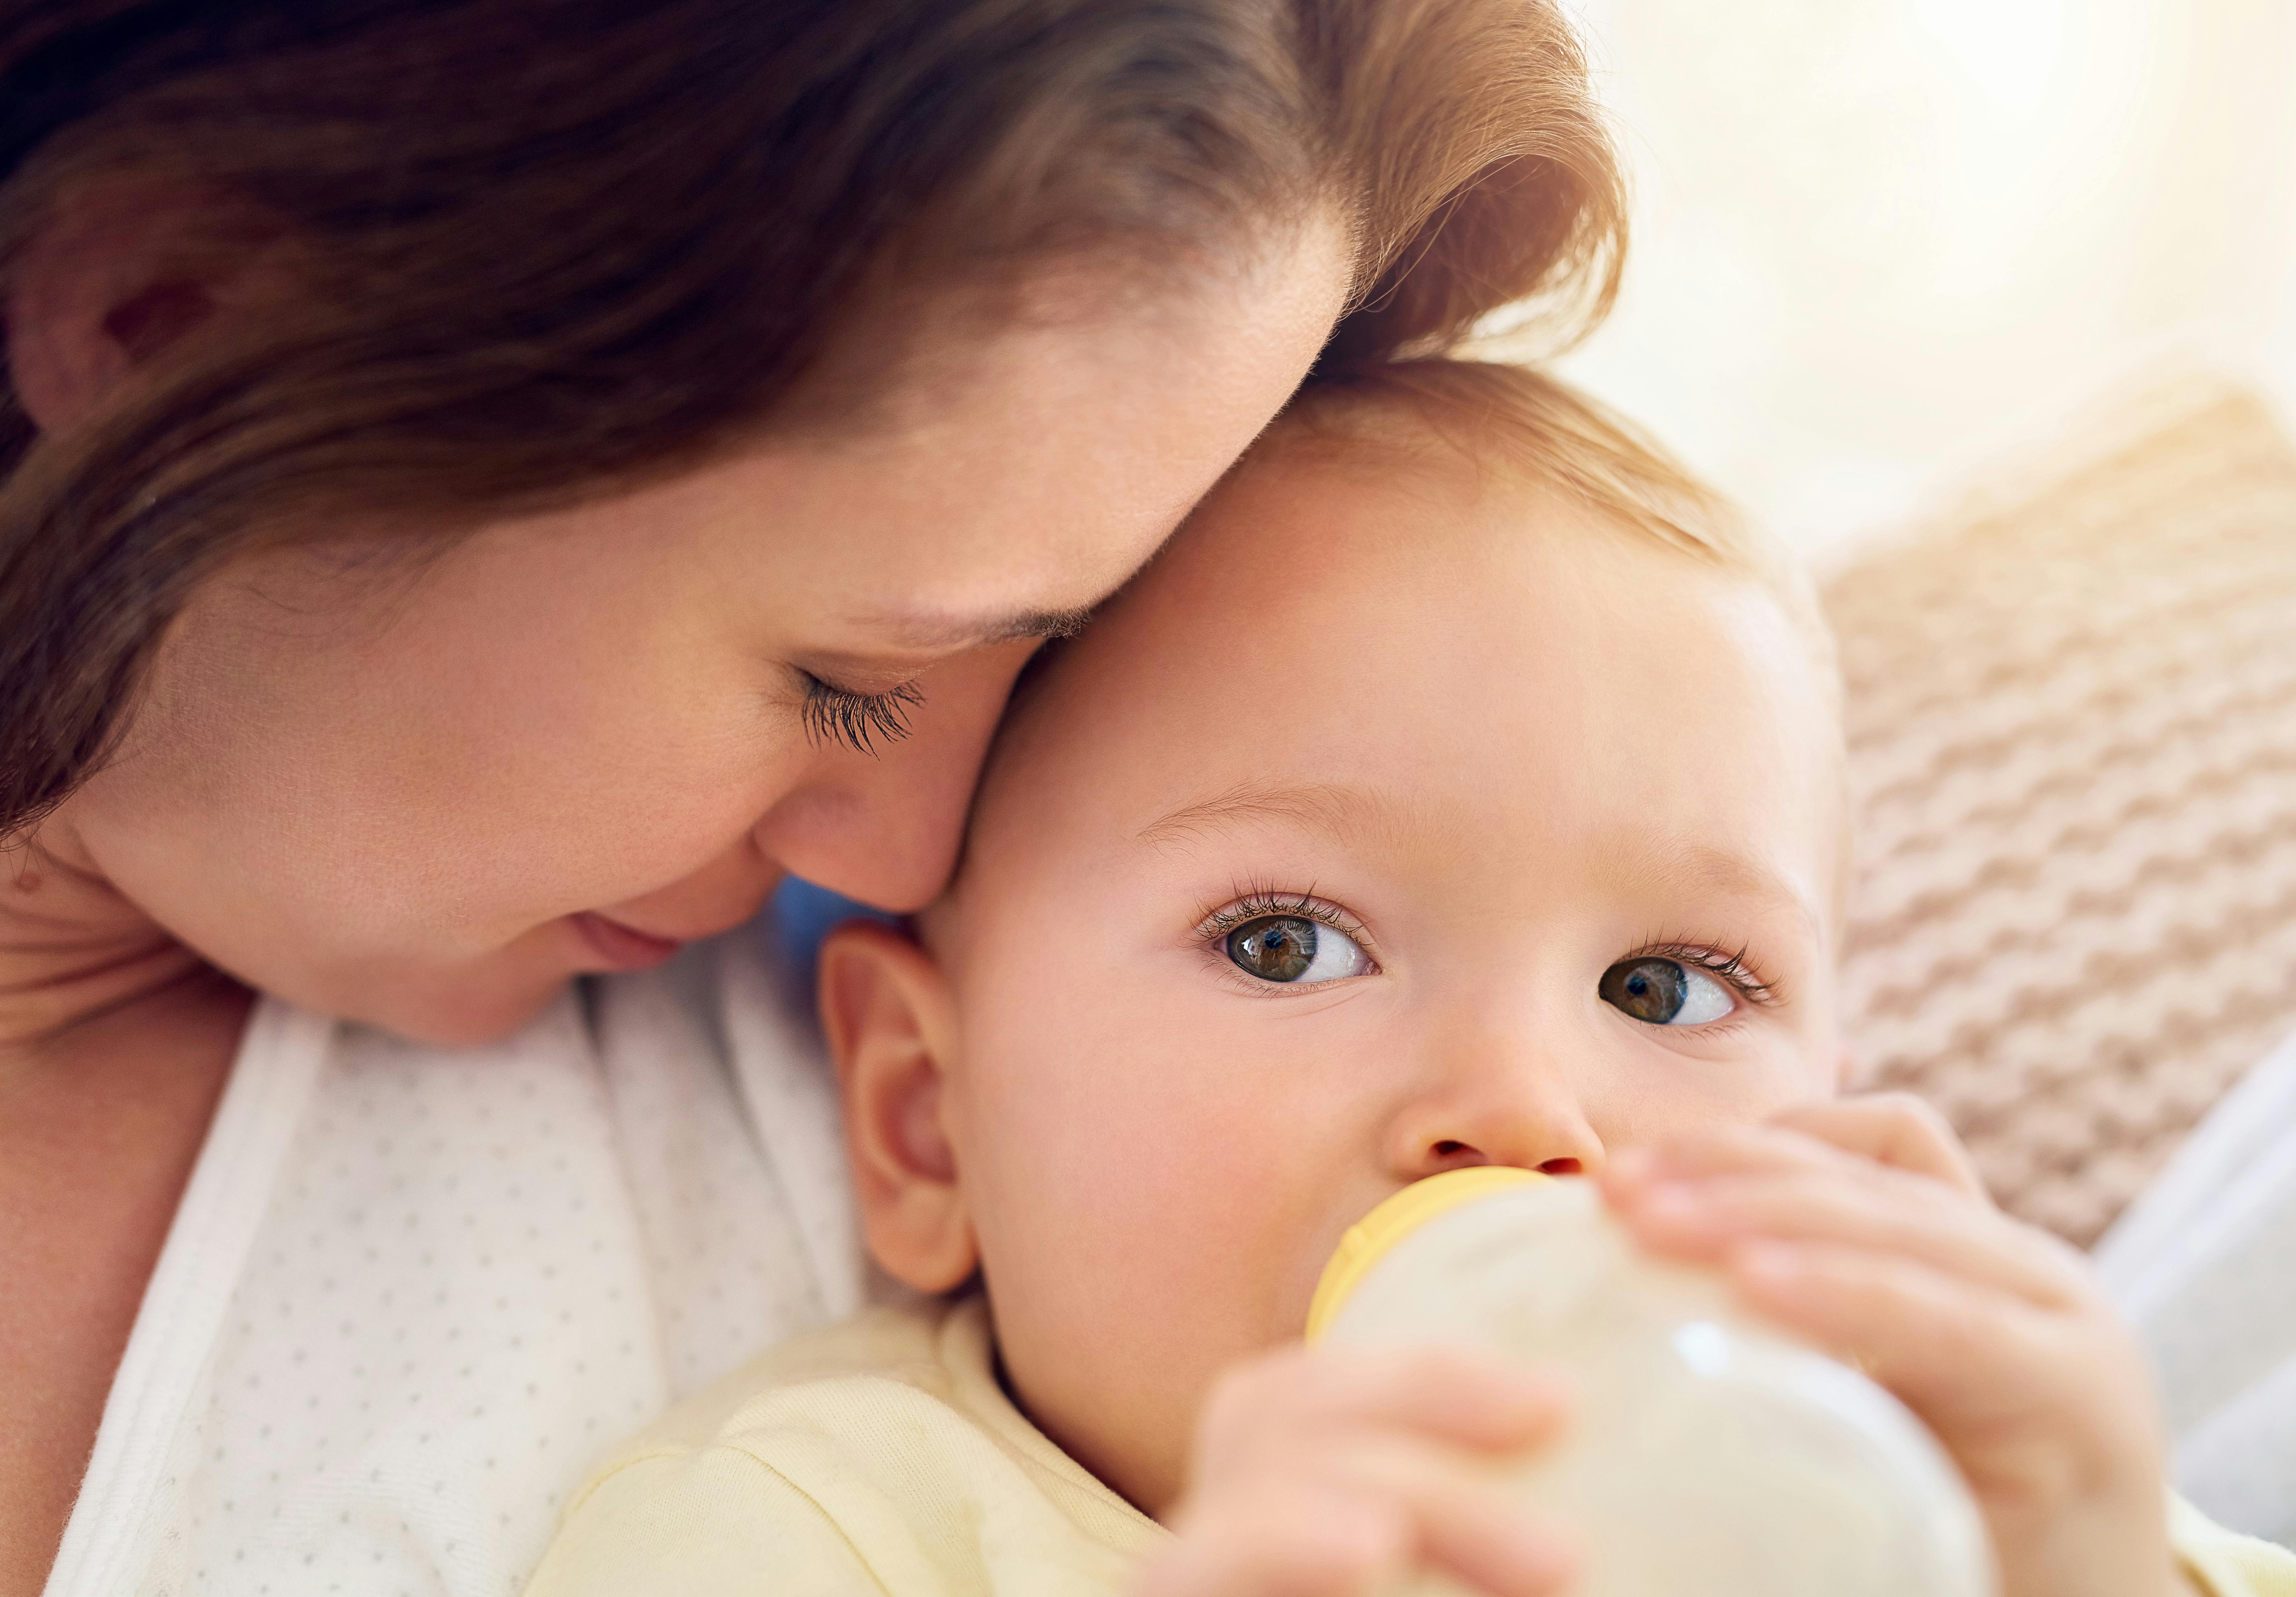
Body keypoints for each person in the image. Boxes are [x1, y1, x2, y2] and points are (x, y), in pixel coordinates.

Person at [0, 4, 1625, 1592]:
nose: (907, 851)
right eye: (844, 680)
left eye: (1042, 657)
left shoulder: (988, 1135)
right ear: (168, 325)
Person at [525, 362, 2296, 1597]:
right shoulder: (816, 1527)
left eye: (1669, 989)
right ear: (928, 1121)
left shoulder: (1881, 1501)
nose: (1527, 1105)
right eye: (1287, 943)